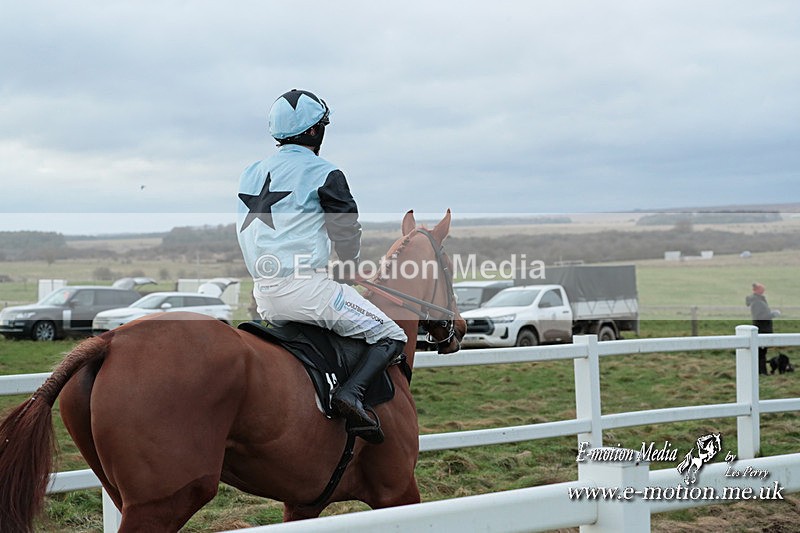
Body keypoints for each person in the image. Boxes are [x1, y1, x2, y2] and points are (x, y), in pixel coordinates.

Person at [236, 89, 407, 443]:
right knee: (393, 335)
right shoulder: (325, 172)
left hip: (264, 294)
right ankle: (350, 395)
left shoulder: (250, 173)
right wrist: (349, 265)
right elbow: (346, 228)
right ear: (315, 131)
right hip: (308, 292)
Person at [745, 282, 775, 375]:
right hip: (762, 329)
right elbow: (760, 316)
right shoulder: (757, 301)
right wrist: (772, 314)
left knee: (761, 352)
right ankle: (761, 372)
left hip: (762, 329)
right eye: (762, 289)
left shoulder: (758, 300)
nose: (763, 290)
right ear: (757, 290)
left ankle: (761, 371)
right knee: (761, 353)